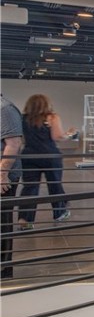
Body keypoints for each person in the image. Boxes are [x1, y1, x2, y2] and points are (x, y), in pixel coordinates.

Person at [17, 94, 76, 229]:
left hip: (29, 156)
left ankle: (25, 220)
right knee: (54, 184)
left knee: (30, 187)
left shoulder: (23, 119)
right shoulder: (52, 117)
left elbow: (21, 138)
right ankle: (59, 213)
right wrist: (70, 133)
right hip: (51, 156)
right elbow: (57, 137)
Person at [1, 94, 25, 279]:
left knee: (2, 224)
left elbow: (14, 144)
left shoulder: (5, 110)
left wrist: (2, 174)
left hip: (4, 179)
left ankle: (3, 269)